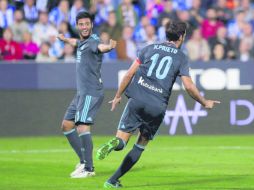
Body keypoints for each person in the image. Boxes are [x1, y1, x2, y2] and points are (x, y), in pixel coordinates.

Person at [96, 20, 220, 188]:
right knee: (140, 146)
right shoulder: (181, 57)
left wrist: (118, 95)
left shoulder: (148, 48)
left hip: (137, 99)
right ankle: (112, 180)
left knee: (122, 140)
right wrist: (204, 102)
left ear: (166, 34)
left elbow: (129, 74)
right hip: (157, 106)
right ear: (182, 37)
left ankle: (116, 143)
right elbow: (189, 86)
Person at [57, 11, 117, 178]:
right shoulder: (82, 42)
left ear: (91, 25)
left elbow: (100, 47)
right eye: (81, 24)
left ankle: (89, 168)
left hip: (91, 92)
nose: (84, 27)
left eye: (87, 24)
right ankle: (83, 161)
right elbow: (76, 42)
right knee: (66, 125)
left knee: (82, 126)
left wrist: (109, 47)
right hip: (81, 93)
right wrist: (65, 40)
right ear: (77, 26)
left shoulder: (93, 42)